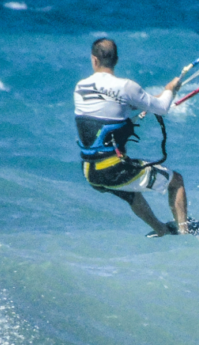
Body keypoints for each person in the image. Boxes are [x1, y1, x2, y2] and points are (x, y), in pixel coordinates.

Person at [73, 38, 190, 237]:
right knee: (176, 181)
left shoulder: (80, 87)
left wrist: (134, 110)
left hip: (90, 172)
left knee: (130, 192)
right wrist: (170, 88)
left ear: (94, 60)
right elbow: (162, 107)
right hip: (113, 169)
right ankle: (185, 231)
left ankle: (160, 229)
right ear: (116, 60)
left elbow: (107, 114)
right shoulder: (126, 86)